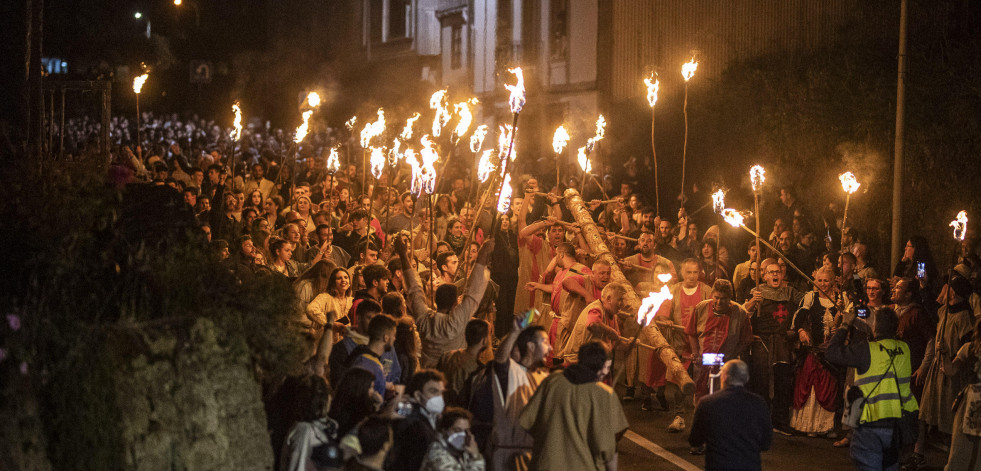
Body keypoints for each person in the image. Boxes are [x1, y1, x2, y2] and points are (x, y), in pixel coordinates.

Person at [825, 307, 919, 471]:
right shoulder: (905, 349)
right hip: (897, 423)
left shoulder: (867, 349)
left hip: (870, 423)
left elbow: (831, 352)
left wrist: (845, 325)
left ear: (876, 326)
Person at [519, 341, 628, 471]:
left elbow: (527, 422)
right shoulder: (605, 395)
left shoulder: (552, 381)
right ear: (604, 367)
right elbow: (609, 449)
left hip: (545, 465)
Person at [394, 236, 493, 368]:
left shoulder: (425, 320)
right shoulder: (457, 320)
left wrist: (402, 255)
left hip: (428, 379)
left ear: (436, 300)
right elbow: (473, 292)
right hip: (452, 379)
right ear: (454, 304)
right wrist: (483, 255)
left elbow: (414, 290)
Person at [909, 275, 975, 468]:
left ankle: (954, 460)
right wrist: (923, 287)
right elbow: (931, 307)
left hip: (953, 374)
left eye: (948, 286)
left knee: (950, 420)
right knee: (924, 412)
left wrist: (952, 360)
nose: (944, 289)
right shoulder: (945, 310)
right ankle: (918, 453)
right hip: (937, 370)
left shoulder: (964, 317)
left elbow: (967, 347)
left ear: (953, 291)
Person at [487, 322, 551, 470]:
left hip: (533, 457)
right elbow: (500, 359)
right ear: (531, 346)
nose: (550, 348)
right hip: (506, 458)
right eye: (546, 342)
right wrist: (515, 331)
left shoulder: (544, 377)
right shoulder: (511, 371)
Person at [688, 359, 772, 470]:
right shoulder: (759, 403)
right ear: (746, 378)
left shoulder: (707, 403)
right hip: (750, 466)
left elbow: (695, 439)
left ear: (724, 377)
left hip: (719, 465)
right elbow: (766, 443)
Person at [789, 266, 841, 436]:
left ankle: (826, 427)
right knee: (811, 385)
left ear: (833, 282)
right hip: (814, 350)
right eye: (819, 280)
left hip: (832, 352)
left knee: (829, 387)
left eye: (826, 281)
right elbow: (798, 319)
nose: (823, 284)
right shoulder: (810, 297)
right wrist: (801, 331)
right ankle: (810, 426)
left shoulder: (841, 298)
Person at [687, 279, 754, 403]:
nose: (718, 302)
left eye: (723, 298)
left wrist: (732, 355)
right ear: (712, 295)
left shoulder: (740, 313)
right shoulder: (701, 308)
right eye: (716, 297)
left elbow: (746, 340)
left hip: (726, 366)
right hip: (703, 364)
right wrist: (696, 353)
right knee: (701, 398)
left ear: (729, 298)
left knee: (723, 399)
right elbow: (691, 333)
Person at [387, 370, 446, 471]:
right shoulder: (409, 419)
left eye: (441, 392)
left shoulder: (430, 415)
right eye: (433, 391)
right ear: (418, 395)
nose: (439, 397)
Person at [437, 319, 490, 407]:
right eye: (489, 335)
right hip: (460, 414)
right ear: (484, 340)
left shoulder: (447, 356)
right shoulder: (480, 370)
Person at [347, 314, 399, 397]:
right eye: (393, 335)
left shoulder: (360, 355)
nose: (394, 339)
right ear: (386, 338)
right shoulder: (366, 364)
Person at [419, 407, 486, 471]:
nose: (462, 435)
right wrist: (475, 458)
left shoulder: (463, 451)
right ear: (444, 430)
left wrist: (474, 456)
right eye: (457, 430)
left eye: (466, 431)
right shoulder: (437, 453)